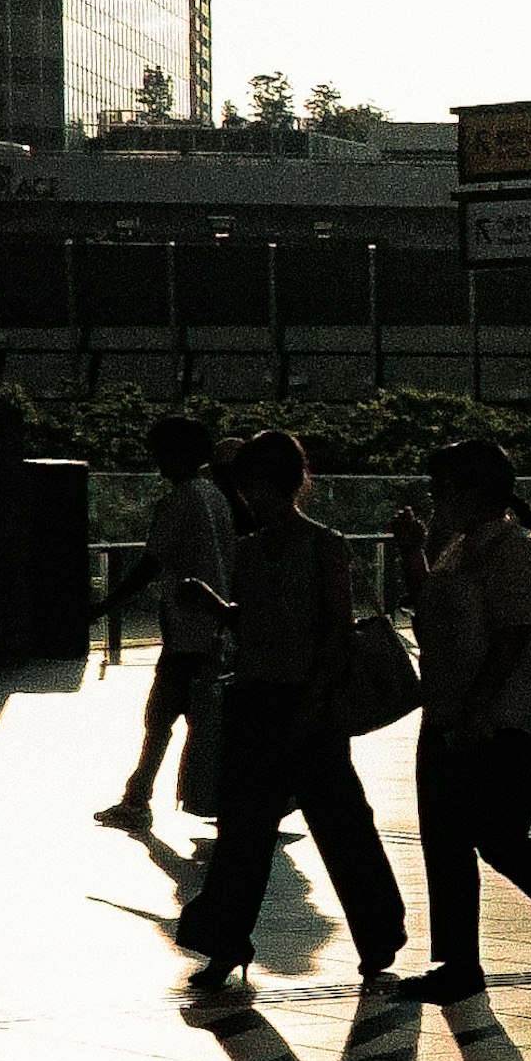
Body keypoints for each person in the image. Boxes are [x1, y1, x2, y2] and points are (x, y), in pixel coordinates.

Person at [168, 429, 407, 1016]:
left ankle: (376, 939)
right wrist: (219, 610)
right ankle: (228, 941)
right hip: (259, 699)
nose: (249, 497)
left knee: (337, 823)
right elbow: (257, 623)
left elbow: (334, 632)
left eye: (254, 485)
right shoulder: (251, 550)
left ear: (281, 483)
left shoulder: (326, 546)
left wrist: (315, 703)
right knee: (249, 830)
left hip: (308, 702)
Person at [389, 439, 531, 999]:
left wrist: (476, 711)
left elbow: (513, 636)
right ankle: (458, 963)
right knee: (444, 839)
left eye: (442, 489)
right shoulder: (460, 548)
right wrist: (412, 551)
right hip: (448, 710)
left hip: (506, 719)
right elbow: (435, 609)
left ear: (473, 491)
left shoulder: (516, 551)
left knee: (497, 835)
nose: (435, 500)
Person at [97, 407, 233, 837]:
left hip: (186, 631)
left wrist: (103, 607)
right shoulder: (216, 497)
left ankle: (138, 800)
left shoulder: (177, 502)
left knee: (159, 717)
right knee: (202, 720)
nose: (155, 462)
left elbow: (151, 564)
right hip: (212, 630)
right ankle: (152, 795)